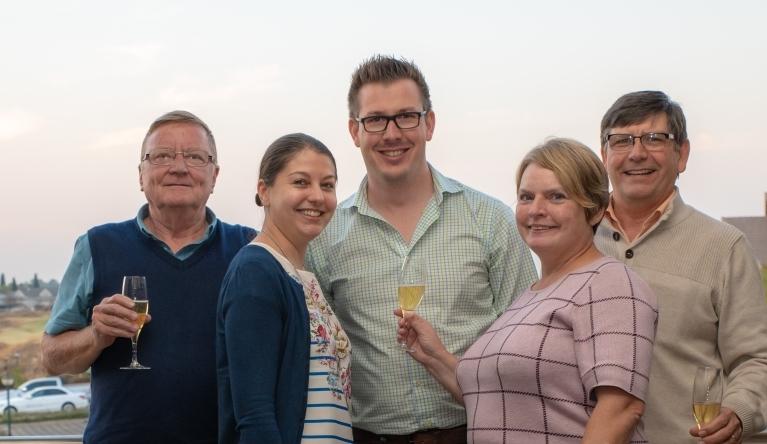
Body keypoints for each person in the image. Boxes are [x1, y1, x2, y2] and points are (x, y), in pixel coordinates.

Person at [306, 55, 538, 442]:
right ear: (354, 130)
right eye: (375, 119)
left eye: (406, 117)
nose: (392, 133)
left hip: (477, 433)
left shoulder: (491, 220)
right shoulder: (326, 236)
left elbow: (526, 347)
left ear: (429, 123)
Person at [397, 138, 659, 443]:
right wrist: (435, 356)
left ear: (595, 209)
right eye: (526, 197)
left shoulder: (609, 282)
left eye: (556, 197)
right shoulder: (529, 296)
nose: (536, 210)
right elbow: (493, 402)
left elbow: (622, 407)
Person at [41, 111, 256, 443]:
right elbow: (52, 358)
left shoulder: (249, 249)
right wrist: (96, 336)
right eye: (162, 156)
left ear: (214, 176)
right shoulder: (96, 246)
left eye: (195, 157)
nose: (179, 167)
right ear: (141, 175)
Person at [594, 91, 767, 443]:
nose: (637, 152)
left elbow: (760, 361)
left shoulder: (723, 246)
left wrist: (738, 410)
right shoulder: (575, 240)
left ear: (681, 154)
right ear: (604, 155)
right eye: (621, 141)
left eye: (654, 139)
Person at [216, 133, 352, 443]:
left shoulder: (301, 276)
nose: (317, 196)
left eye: (327, 185)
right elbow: (255, 416)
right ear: (264, 191)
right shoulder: (256, 272)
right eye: (301, 182)